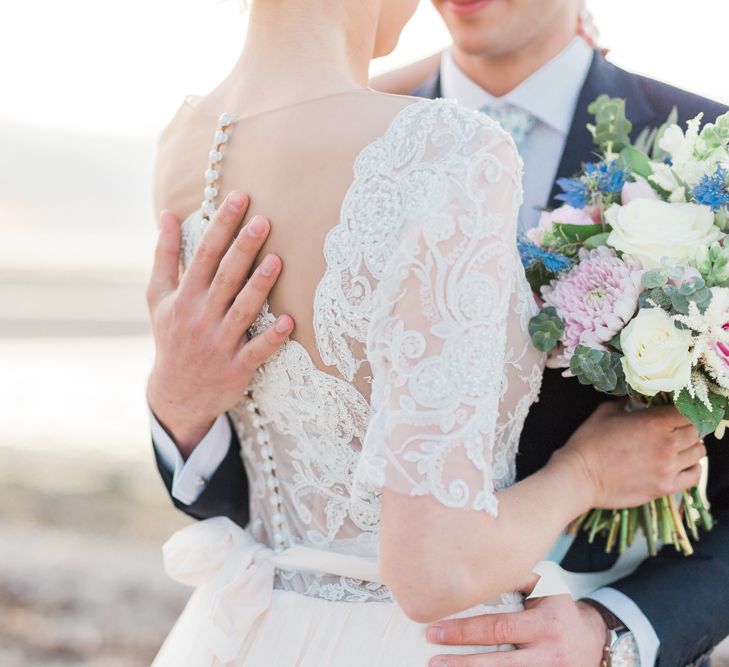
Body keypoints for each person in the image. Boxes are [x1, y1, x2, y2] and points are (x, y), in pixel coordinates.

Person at [147, 1, 725, 665]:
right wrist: (178, 406)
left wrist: (617, 630)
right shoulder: (430, 142)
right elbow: (274, 483)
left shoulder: (200, 137)